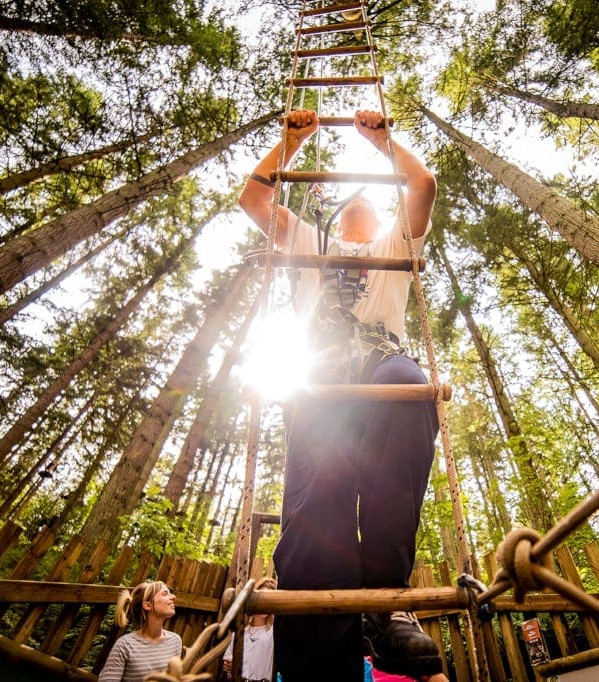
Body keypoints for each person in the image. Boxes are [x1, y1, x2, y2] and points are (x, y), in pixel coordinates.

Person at [238, 109, 442, 680]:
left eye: (371, 204)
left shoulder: (392, 244)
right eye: (350, 203)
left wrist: (383, 144)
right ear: (331, 216)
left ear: (380, 218)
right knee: (318, 494)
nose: (361, 205)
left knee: (408, 388)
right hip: (323, 374)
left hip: (382, 360)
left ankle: (385, 604)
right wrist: (290, 144)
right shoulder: (310, 237)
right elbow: (253, 202)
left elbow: (422, 185)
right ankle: (318, 647)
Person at [98, 580, 182, 682]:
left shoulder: (175, 641)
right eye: (165, 593)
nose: (173, 597)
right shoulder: (125, 645)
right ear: (147, 605)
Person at [222, 577, 277, 682]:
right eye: (262, 599)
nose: (265, 605)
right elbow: (228, 666)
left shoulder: (273, 632)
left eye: (269, 601)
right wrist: (230, 666)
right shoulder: (240, 632)